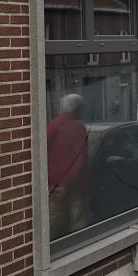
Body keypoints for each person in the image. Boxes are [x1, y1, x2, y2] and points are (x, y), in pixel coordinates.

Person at [46, 93, 91, 239]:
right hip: (76, 188)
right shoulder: (78, 128)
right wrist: (64, 184)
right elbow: (79, 160)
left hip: (52, 187)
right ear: (77, 109)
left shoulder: (51, 126)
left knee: (52, 227)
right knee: (79, 227)